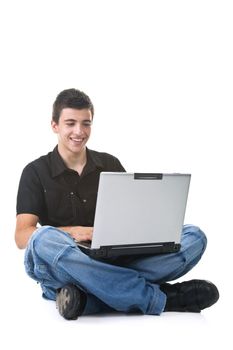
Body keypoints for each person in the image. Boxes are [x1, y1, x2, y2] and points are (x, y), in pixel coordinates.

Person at [15, 88, 219, 320]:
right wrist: (74, 232)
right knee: (42, 239)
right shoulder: (35, 172)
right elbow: (22, 236)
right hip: (66, 263)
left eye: (86, 123)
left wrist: (146, 231)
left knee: (195, 236)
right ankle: (161, 297)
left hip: (116, 258)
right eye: (70, 123)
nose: (79, 131)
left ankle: (89, 298)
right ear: (55, 126)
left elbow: (131, 216)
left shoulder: (109, 163)